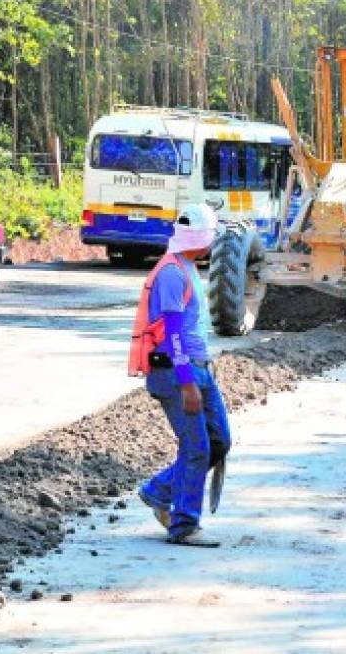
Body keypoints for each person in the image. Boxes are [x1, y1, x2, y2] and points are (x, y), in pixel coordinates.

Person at [130, 204, 231, 547]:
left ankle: (159, 491)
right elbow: (172, 333)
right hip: (176, 374)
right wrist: (187, 383)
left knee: (218, 441)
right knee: (197, 446)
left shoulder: (186, 267)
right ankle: (184, 525)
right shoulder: (172, 273)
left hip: (198, 371)